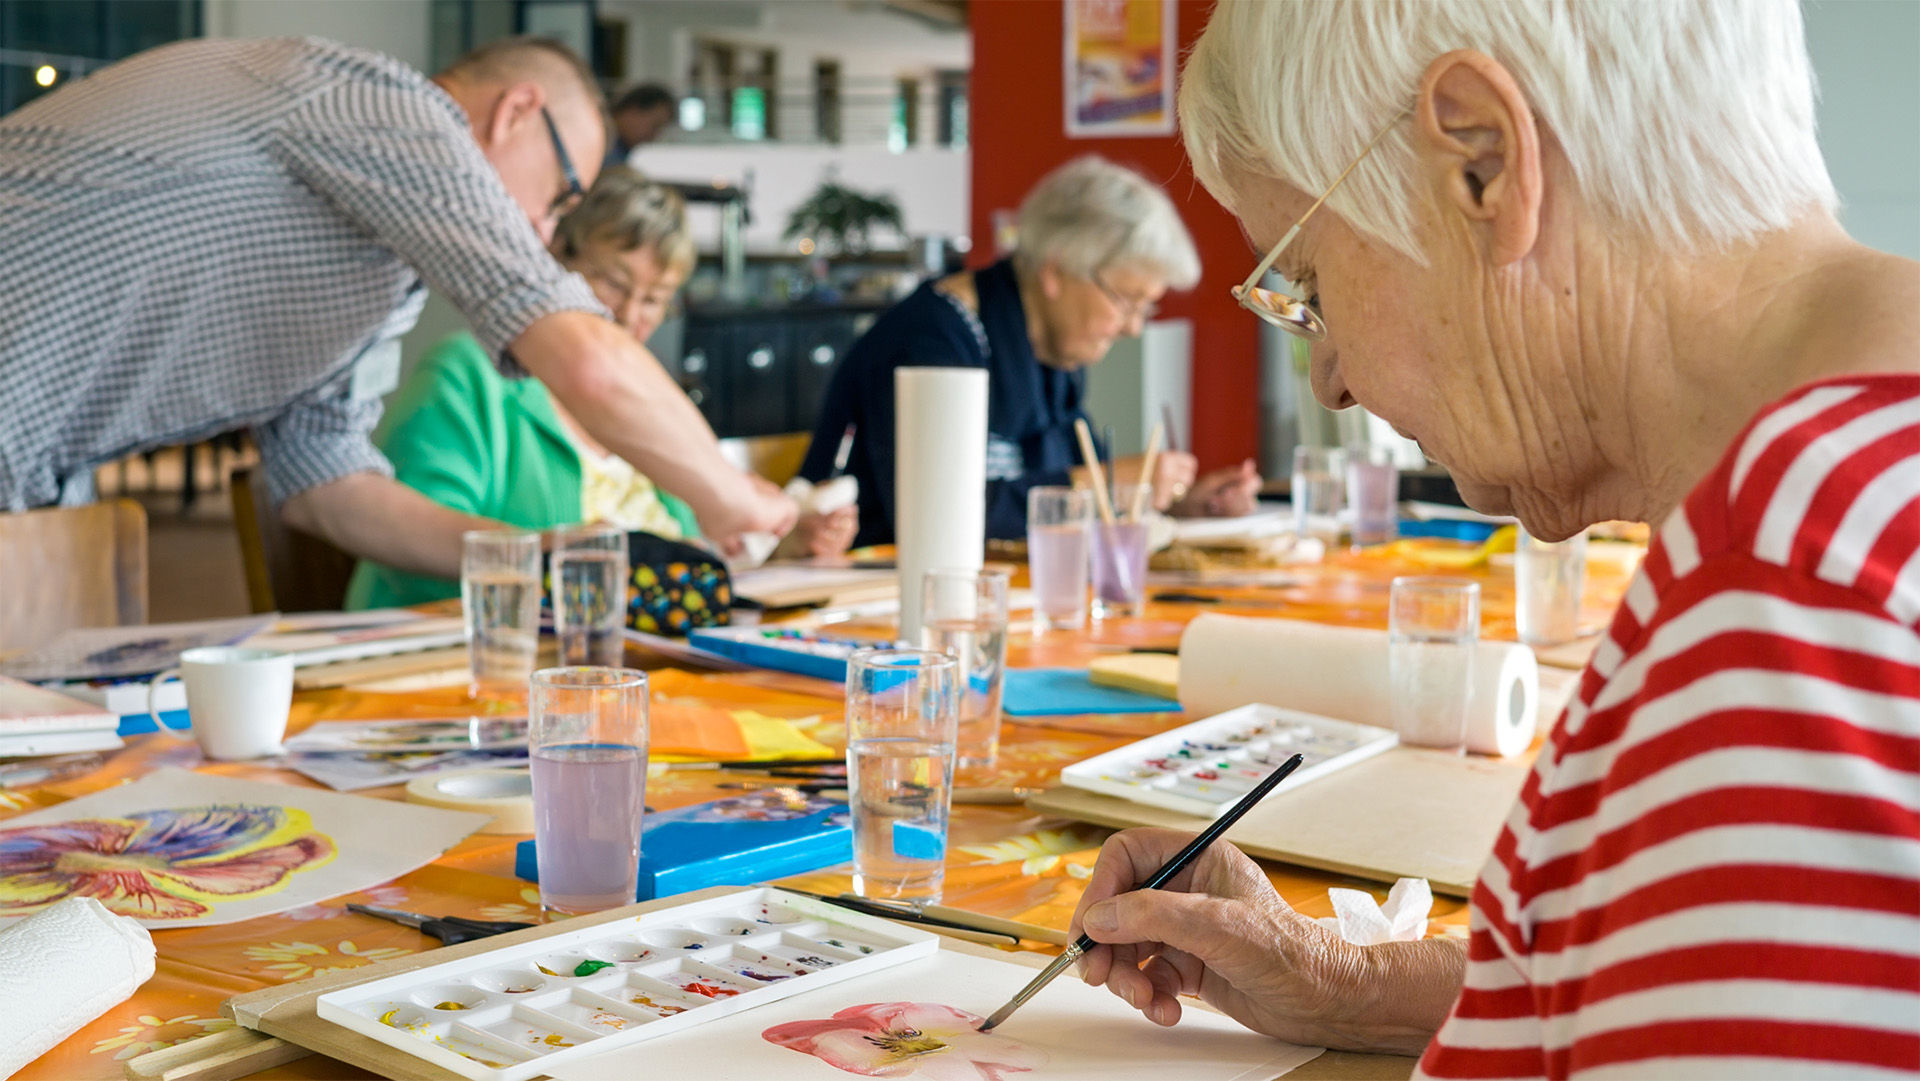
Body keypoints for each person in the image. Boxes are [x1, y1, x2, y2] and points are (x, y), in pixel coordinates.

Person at [1070, 1, 1919, 1077]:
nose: (1329, 380)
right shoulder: (1847, 506)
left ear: (1483, 161)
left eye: (1314, 286)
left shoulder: (1789, 613)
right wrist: (1355, 982)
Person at [0, 36, 794, 572]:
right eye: (557, 197)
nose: (539, 231)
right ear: (517, 112)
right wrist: (730, 496)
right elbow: (586, 359)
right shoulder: (394, 108)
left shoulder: (377, 266)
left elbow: (328, 483)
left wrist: (540, 557)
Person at [346, 168, 857, 608]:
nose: (629, 316)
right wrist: (558, 552)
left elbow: (688, 548)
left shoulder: (646, 403)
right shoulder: (468, 374)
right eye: (611, 282)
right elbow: (404, 556)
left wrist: (781, 547)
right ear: (555, 257)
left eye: (655, 299)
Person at [798, 155, 1264, 547]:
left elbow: (1067, 477)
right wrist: (1106, 485)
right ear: (1055, 271)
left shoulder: (1052, 351)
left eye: (1148, 307)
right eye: (1127, 301)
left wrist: (1176, 500)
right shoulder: (931, 340)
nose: (1134, 327)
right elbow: (938, 517)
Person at [607, 82, 677, 164]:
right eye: (655, 125)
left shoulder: (624, 151)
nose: (655, 134)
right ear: (632, 110)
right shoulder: (602, 147)